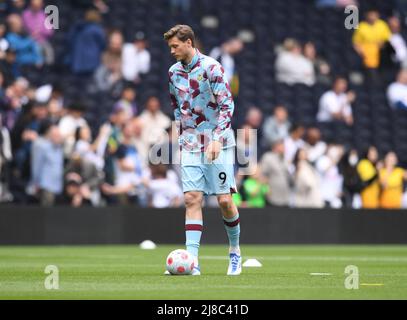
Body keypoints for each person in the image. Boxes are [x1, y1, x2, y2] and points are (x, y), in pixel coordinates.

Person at [164, 24, 241, 276]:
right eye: (170, 47)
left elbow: (227, 106)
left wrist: (218, 138)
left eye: (175, 45)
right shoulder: (173, 72)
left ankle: (234, 251)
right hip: (190, 144)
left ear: (188, 42)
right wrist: (180, 134)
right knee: (191, 199)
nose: (172, 50)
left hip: (218, 142)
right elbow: (177, 107)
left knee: (224, 201)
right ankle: (192, 261)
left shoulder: (212, 68)